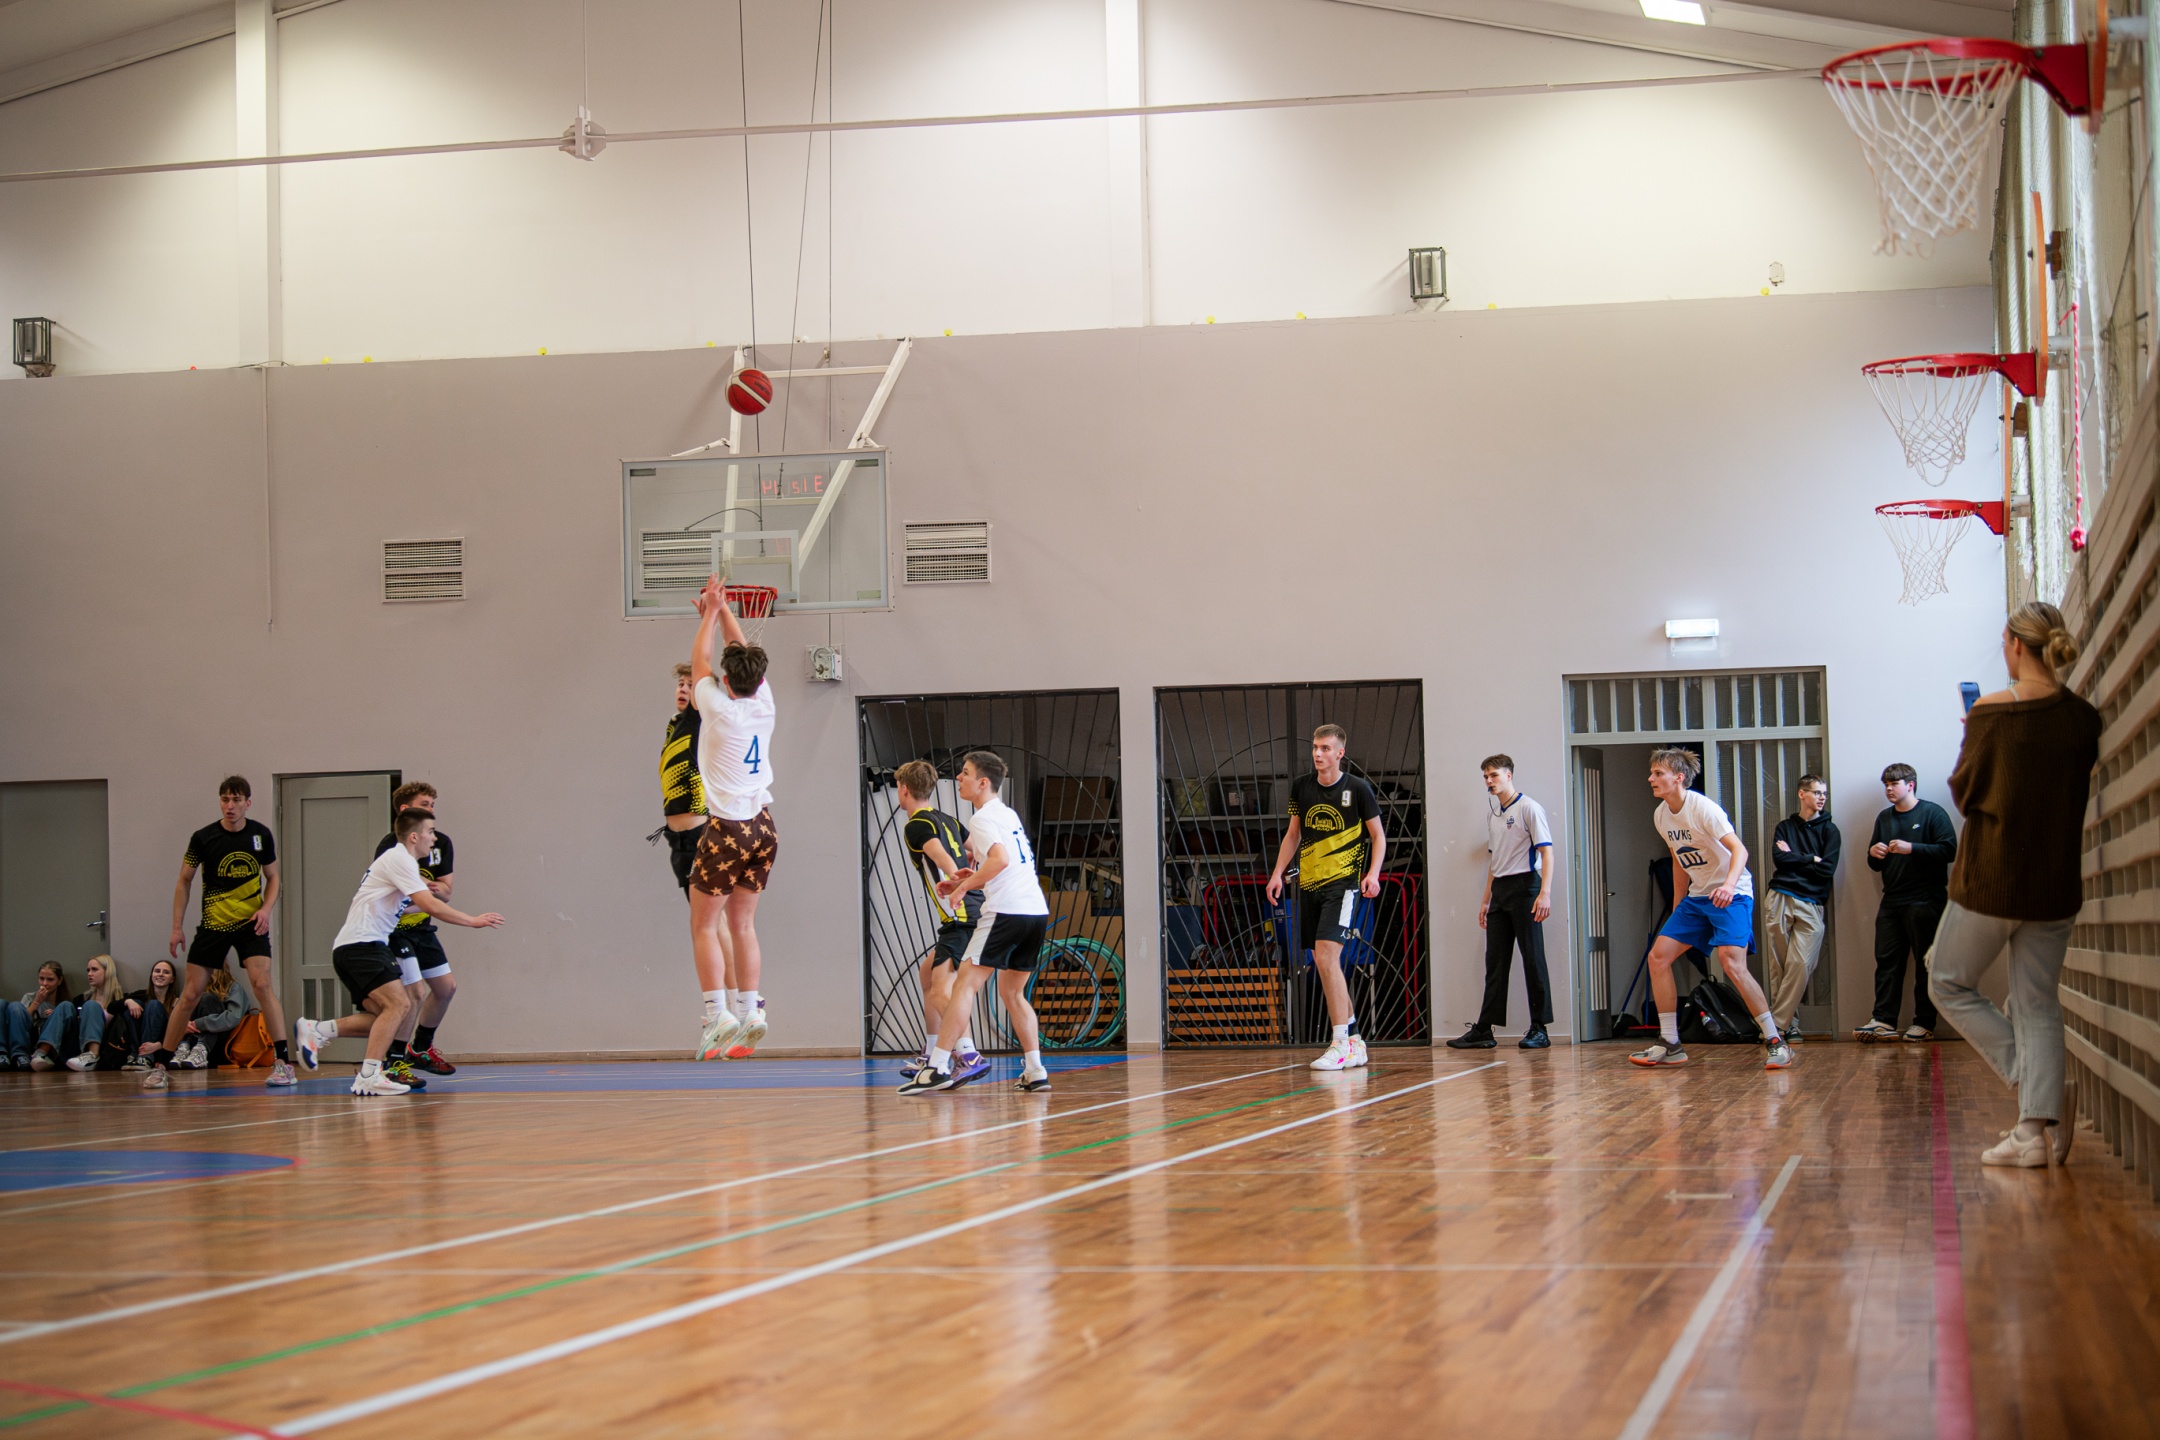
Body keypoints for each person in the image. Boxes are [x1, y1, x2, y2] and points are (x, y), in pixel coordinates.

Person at [1929, 602, 2101, 1167]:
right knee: (2037, 1003)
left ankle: (2038, 1089)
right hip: (2056, 882)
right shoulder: (2084, 719)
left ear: (2016, 645)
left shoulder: (1991, 711)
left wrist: (1974, 733)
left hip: (1995, 877)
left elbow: (1965, 792)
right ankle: (2031, 1133)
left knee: (1946, 981)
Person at [296, 806, 505, 1096]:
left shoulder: (401, 864)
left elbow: (410, 905)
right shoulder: (400, 859)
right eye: (430, 832)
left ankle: (317, 1031)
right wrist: (472, 920)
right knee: (399, 1005)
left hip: (357, 947)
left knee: (387, 1017)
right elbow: (430, 905)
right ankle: (369, 1075)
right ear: (414, 837)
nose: (434, 838)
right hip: (362, 945)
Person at [899, 750, 1053, 1095]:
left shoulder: (981, 819)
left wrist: (963, 887)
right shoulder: (1007, 814)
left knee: (962, 986)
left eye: (965, 773)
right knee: (1012, 993)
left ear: (983, 783)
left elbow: (1000, 860)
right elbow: (1004, 865)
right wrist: (969, 877)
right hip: (1034, 911)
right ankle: (1035, 1070)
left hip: (1005, 911)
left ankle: (938, 1065)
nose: (959, 778)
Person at [1629, 747, 1793, 1070]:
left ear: (1679, 778)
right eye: (1651, 773)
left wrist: (1728, 886)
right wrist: (1678, 907)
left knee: (1731, 963)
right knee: (1657, 957)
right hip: (1698, 898)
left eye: (1658, 773)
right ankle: (1671, 1042)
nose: (1650, 778)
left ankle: (1776, 1041)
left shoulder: (1703, 809)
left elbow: (1739, 851)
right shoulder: (1661, 815)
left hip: (1733, 893)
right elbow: (1678, 861)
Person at [146, 777, 296, 1089]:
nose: (230, 806)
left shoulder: (260, 835)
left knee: (262, 985)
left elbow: (273, 878)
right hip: (214, 925)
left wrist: (266, 910)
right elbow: (184, 881)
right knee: (190, 994)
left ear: (247, 803)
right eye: (225, 799)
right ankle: (161, 1065)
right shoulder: (203, 838)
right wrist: (176, 927)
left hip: (251, 924)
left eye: (236, 800)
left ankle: (283, 1063)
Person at [686, 575, 778, 1061]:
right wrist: (722, 612)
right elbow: (737, 652)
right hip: (764, 827)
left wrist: (708, 611)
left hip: (728, 829)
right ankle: (751, 1010)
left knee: (704, 924)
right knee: (743, 925)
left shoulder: (718, 708)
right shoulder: (765, 703)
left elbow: (701, 661)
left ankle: (715, 1013)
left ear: (727, 681)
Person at [1266, 725, 1386, 1072]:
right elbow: (1293, 834)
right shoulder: (1302, 787)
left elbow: (1378, 836)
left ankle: (1340, 1043)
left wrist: (1373, 873)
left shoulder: (1358, 789)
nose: (1318, 754)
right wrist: (1277, 873)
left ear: (1339, 753)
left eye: (1325, 748)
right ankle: (1355, 1039)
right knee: (1321, 960)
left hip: (1343, 885)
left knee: (1328, 957)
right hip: (1310, 885)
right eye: (1316, 747)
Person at [1451, 754, 1555, 1050]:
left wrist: (1544, 893)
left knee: (1533, 958)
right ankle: (1485, 1029)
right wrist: (1486, 900)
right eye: (1485, 776)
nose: (1489, 781)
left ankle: (1540, 1028)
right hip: (1501, 890)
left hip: (1526, 887)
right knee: (1494, 962)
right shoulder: (1494, 814)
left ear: (1509, 775)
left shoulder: (1529, 808)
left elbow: (1547, 852)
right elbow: (1495, 860)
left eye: (1494, 775)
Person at [892, 760, 987, 1085]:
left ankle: (967, 1052)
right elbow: (976, 848)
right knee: (927, 973)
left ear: (905, 789)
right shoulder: (948, 819)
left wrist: (954, 874)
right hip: (972, 909)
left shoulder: (915, 825)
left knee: (940, 990)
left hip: (960, 914)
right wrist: (970, 862)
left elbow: (937, 853)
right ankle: (932, 1051)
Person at [1856, 763, 1958, 1042]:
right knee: (1886, 961)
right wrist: (1873, 853)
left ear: (1910, 785)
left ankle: (1924, 1023)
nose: (1888, 789)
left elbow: (1949, 850)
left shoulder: (1932, 813)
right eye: (1886, 785)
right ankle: (1883, 1021)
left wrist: (1911, 848)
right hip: (1892, 900)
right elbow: (1875, 865)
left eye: (1894, 784)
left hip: (1926, 899)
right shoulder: (1884, 818)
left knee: (1926, 964)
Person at [372, 783, 459, 1081]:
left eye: (433, 804)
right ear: (405, 809)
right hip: (395, 931)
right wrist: (428, 893)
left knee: (446, 988)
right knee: (413, 994)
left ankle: (420, 1048)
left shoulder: (440, 842)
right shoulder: (390, 847)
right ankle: (393, 1060)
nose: (431, 810)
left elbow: (446, 893)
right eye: (425, 804)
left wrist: (431, 891)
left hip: (422, 928)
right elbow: (398, 893)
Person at [1763, 775, 1841, 1042]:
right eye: (1817, 792)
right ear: (1801, 794)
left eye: (1824, 794)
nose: (1822, 798)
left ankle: (1776, 1024)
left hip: (1812, 902)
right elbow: (1779, 859)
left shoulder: (1830, 831)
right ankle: (1790, 1026)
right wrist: (1811, 858)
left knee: (1801, 963)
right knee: (1779, 966)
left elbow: (1827, 869)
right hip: (1779, 896)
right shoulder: (1785, 827)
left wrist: (1795, 858)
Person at [661, 661, 709, 895]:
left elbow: (703, 672)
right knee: (701, 911)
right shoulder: (675, 725)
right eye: (680, 684)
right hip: (677, 838)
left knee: (707, 913)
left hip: (697, 836)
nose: (683, 689)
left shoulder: (697, 722)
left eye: (690, 685)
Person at [168, 965, 246, 1069]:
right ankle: (184, 1048)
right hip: (190, 1040)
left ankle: (201, 1049)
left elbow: (233, 1018)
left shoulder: (234, 987)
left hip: (219, 1043)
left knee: (208, 998)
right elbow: (179, 1013)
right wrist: (183, 1025)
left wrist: (199, 1024)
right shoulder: (191, 987)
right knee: (189, 1001)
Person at [123, 959, 185, 1071]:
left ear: (172, 979)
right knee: (131, 1008)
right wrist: (128, 1001)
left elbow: (181, 1030)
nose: (160, 974)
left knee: (154, 1005)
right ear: (151, 976)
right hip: (138, 1047)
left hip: (160, 1049)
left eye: (166, 972)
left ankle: (146, 1057)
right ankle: (135, 1055)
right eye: (157, 971)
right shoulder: (141, 995)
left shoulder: (177, 1003)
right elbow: (112, 1007)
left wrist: (159, 1045)